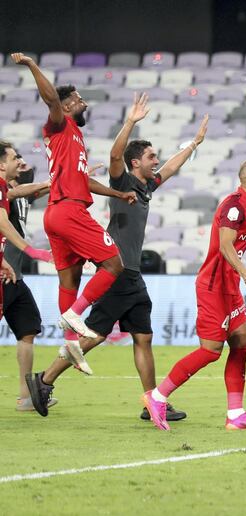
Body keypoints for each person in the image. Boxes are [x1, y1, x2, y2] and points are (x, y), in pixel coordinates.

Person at [26, 93, 209, 420]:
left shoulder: (147, 187)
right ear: (135, 162)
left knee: (143, 337)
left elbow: (170, 167)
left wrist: (193, 144)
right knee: (95, 334)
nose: (156, 160)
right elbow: (114, 154)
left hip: (132, 273)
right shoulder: (122, 179)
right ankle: (44, 379)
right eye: (151, 156)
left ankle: (153, 402)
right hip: (118, 271)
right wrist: (130, 121)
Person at [12, 53, 136, 376]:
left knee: (70, 278)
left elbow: (86, 181)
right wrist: (31, 65)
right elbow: (51, 97)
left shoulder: (75, 138)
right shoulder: (59, 122)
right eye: (79, 100)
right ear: (66, 107)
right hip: (68, 210)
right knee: (114, 264)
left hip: (56, 213)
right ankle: (75, 315)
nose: (83, 104)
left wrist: (118, 193)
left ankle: (70, 342)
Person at [142, 159, 246, 431]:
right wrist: (244, 271)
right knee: (211, 351)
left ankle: (236, 415)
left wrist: (238, 276)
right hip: (213, 287)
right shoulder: (234, 206)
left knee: (242, 343)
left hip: (229, 287)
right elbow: (226, 245)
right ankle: (157, 397)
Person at [0, 142, 53, 411]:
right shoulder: (7, 191)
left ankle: (25, 397)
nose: (21, 162)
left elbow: (36, 188)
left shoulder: (19, 195)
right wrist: (31, 250)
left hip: (14, 276)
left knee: (28, 329)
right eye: (15, 158)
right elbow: (17, 192)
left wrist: (73, 180)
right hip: (4, 275)